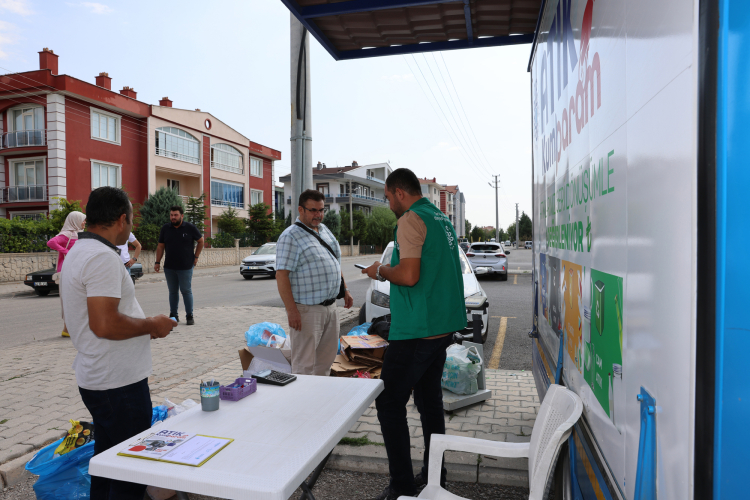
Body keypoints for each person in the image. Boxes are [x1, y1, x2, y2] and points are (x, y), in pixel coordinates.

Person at [61, 186, 176, 499]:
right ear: (122, 219)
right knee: (129, 471)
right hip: (117, 384)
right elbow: (105, 323)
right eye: (132, 219)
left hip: (102, 378)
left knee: (106, 464)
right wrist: (151, 324)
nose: (132, 227)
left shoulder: (80, 251)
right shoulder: (101, 258)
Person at [362, 168, 466, 500]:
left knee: (389, 402)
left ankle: (403, 487)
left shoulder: (409, 220)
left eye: (388, 197)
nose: (388, 202)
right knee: (428, 402)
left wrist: (379, 270)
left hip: (417, 329)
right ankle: (436, 477)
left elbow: (408, 275)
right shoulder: (440, 218)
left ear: (399, 193)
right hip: (440, 326)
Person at [276, 189, 354, 375]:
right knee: (304, 365)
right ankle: (302, 402)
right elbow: (282, 275)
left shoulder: (324, 230)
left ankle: (320, 401)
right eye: (313, 210)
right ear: (300, 210)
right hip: (307, 311)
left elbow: (334, 261)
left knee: (325, 361)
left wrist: (345, 289)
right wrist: (291, 310)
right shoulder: (290, 236)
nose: (318, 215)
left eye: (321, 210)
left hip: (330, 308)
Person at [154, 205, 204, 325]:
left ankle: (189, 315)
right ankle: (173, 316)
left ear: (182, 215)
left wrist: (196, 257)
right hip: (169, 266)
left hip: (185, 266)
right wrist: (157, 261)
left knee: (186, 291)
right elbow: (161, 246)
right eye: (171, 215)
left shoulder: (190, 228)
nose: (173, 217)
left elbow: (201, 241)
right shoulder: (165, 228)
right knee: (172, 292)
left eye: (175, 215)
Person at [46, 211, 86, 337]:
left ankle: (72, 329)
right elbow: (51, 242)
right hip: (66, 270)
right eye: (83, 220)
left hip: (78, 269)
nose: (85, 222)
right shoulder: (67, 234)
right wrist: (66, 251)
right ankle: (67, 329)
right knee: (68, 299)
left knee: (78, 299)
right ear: (75, 221)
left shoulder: (80, 234)